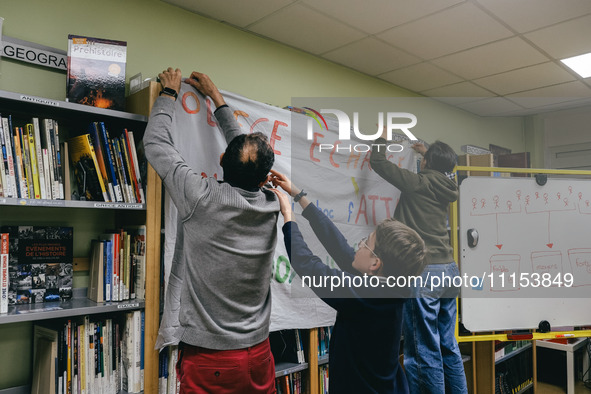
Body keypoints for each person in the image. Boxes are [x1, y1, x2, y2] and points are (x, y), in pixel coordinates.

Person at [144, 67, 279, 394]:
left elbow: (156, 143)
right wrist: (216, 98)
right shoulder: (272, 203)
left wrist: (168, 94)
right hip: (260, 352)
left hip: (211, 359)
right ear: (264, 181)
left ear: (221, 162)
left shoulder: (200, 196)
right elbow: (246, 161)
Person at [269, 169, 427, 394]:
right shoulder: (391, 285)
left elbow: (306, 264)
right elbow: (340, 248)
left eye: (365, 243)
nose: (359, 245)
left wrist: (288, 218)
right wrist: (299, 196)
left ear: (375, 264)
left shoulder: (366, 295)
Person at [370, 134, 468, 394]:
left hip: (425, 272)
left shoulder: (417, 183)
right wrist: (428, 154)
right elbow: (442, 171)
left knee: (423, 350)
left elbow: (378, 162)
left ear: (426, 163)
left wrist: (380, 138)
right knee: (448, 345)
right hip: (449, 269)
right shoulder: (450, 186)